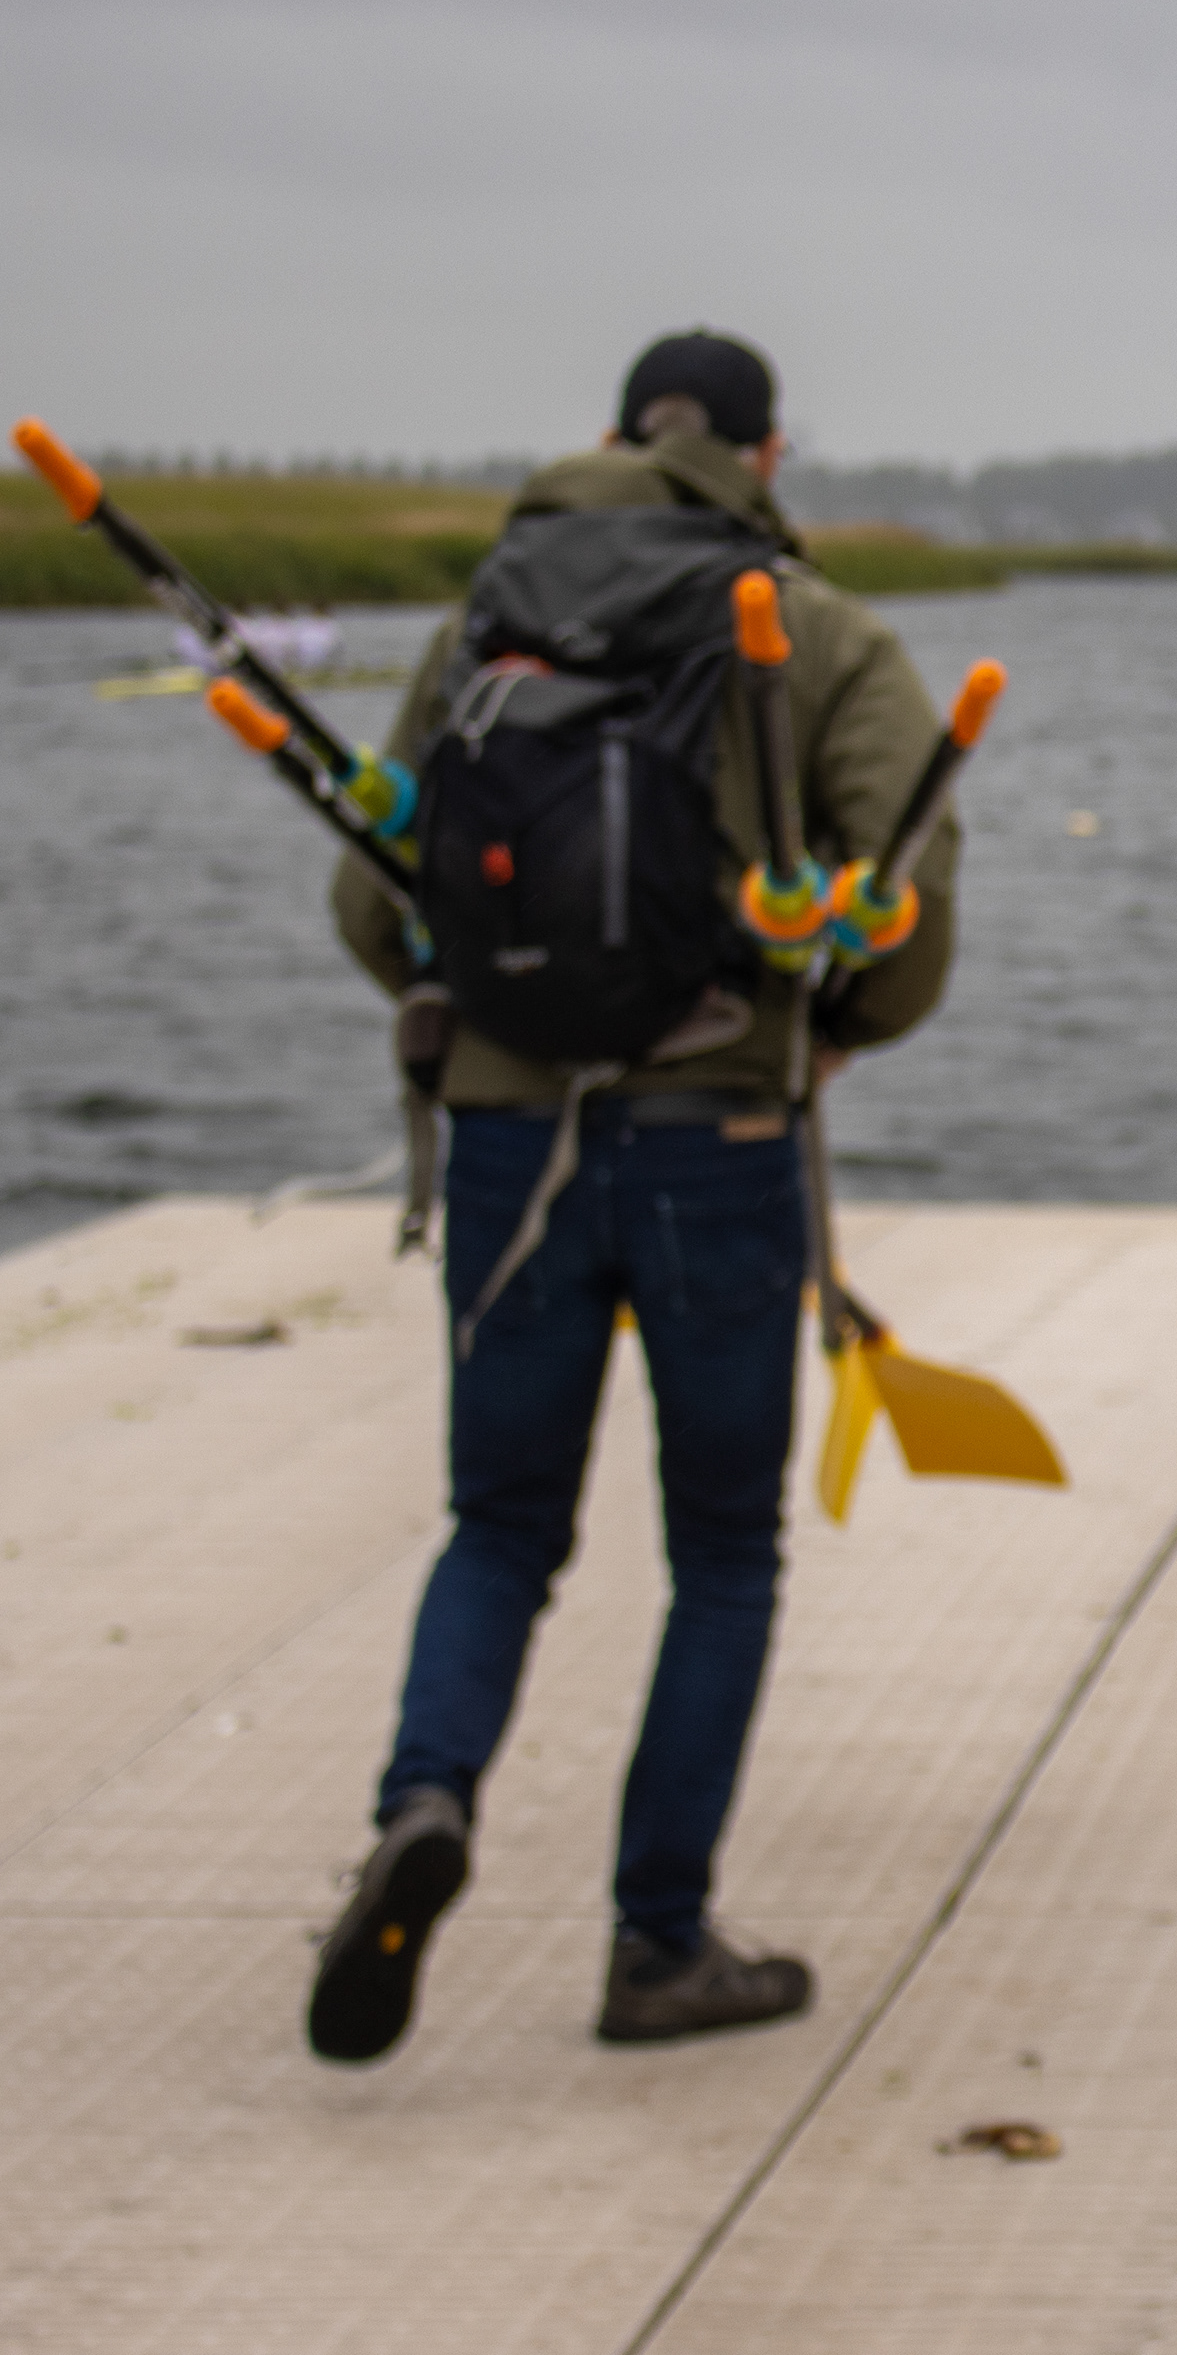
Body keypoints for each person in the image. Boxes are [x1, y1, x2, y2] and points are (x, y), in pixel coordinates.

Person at [305, 330, 962, 2063]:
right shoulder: (809, 628)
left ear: (612, 435)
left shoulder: (491, 616)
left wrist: (489, 1037)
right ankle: (658, 1944)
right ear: (764, 454)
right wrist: (833, 1026)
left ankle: (424, 1797)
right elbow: (913, 881)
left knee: (499, 1525)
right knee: (721, 1552)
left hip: (507, 1145)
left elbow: (379, 900)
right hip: (718, 1142)